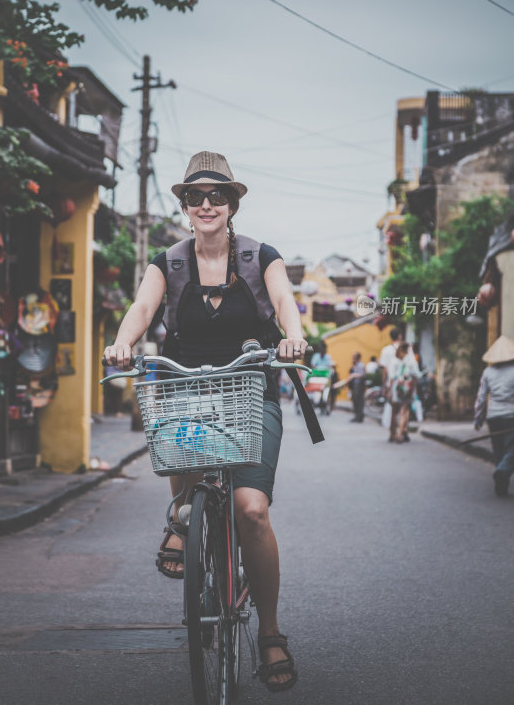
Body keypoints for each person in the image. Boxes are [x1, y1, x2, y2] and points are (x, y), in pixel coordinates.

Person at [103, 151, 305, 692]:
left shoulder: (260, 256)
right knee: (188, 484)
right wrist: (123, 342)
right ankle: (182, 510)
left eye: (218, 195)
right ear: (185, 206)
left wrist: (292, 334)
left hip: (247, 390)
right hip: (185, 396)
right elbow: (142, 308)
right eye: (196, 196)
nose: (207, 204)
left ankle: (269, 631)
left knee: (251, 510)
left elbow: (285, 299)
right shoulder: (167, 261)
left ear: (233, 203)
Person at [473, 335, 514, 497]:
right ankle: (503, 471)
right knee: (512, 450)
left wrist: (478, 417)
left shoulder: (488, 372)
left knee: (498, 451)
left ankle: (501, 482)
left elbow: (481, 397)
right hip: (511, 416)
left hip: (494, 417)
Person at [387, 341, 419, 443]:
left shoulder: (395, 360)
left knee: (394, 411)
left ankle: (393, 434)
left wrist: (389, 390)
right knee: (404, 411)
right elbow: (415, 375)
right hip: (408, 386)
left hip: (397, 386)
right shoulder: (411, 360)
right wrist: (414, 388)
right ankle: (401, 433)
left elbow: (391, 377)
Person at [348, 351, 366, 422]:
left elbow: (362, 375)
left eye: (354, 357)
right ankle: (357, 415)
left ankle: (359, 416)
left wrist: (353, 375)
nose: (352, 358)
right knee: (355, 400)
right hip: (355, 385)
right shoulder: (356, 365)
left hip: (359, 385)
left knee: (359, 401)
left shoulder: (361, 365)